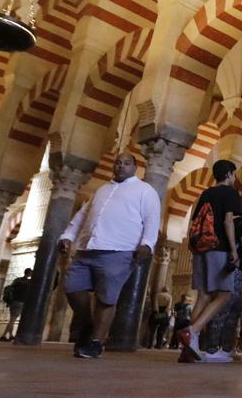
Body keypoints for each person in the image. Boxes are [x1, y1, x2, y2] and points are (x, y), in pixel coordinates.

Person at [57, 154, 160, 359]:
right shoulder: (102, 190)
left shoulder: (144, 190)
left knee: (106, 298)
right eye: (118, 163)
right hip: (88, 248)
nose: (121, 166)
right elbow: (82, 215)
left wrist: (147, 244)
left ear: (135, 167)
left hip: (119, 250)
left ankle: (96, 342)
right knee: (72, 287)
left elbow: (152, 218)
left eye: (126, 163)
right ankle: (88, 325)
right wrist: (68, 235)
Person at [177, 159, 240, 363]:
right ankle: (193, 331)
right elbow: (228, 220)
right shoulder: (230, 193)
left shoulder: (206, 193)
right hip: (218, 248)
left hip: (200, 249)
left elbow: (195, 221)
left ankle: (188, 350)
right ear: (229, 174)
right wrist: (232, 248)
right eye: (234, 174)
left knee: (203, 295)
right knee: (224, 294)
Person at [205, 197, 242, 359]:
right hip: (234, 270)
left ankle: (223, 347)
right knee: (227, 309)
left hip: (219, 268)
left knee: (230, 307)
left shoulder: (227, 222)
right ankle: (215, 349)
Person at [0, 267, 31, 342]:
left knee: (12, 319)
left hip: (13, 302)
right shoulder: (28, 282)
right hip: (20, 302)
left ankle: (10, 336)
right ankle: (3, 336)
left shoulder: (17, 280)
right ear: (29, 273)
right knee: (12, 320)